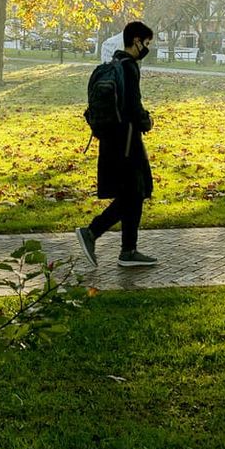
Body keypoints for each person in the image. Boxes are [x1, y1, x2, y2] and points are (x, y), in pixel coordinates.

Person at [75, 20, 158, 268]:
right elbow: (133, 106)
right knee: (134, 193)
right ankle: (92, 233)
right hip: (127, 142)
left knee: (132, 194)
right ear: (136, 41)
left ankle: (128, 251)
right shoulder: (130, 67)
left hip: (113, 139)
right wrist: (147, 121)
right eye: (146, 43)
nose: (147, 47)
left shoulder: (114, 64)